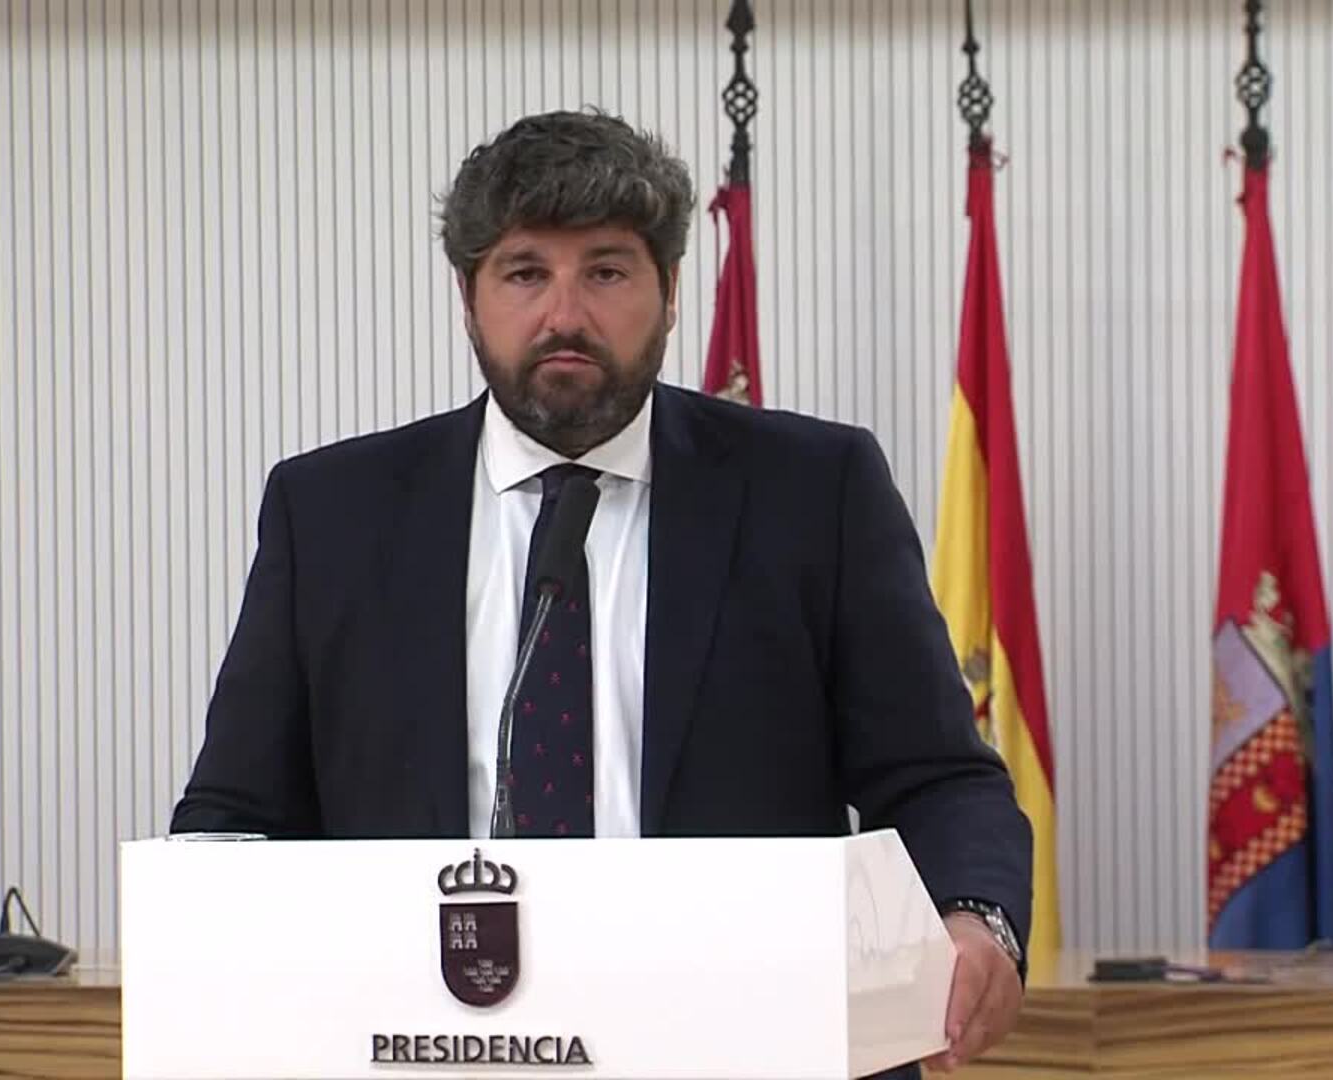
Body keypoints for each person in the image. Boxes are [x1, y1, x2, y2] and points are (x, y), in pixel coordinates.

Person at [171, 109, 1031, 1074]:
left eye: (607, 272)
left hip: (738, 1045)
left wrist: (976, 915)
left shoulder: (813, 492)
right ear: (468, 298)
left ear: (670, 293)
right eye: (525, 273)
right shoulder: (333, 513)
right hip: (422, 1046)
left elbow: (937, 777)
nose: (565, 314)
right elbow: (236, 816)